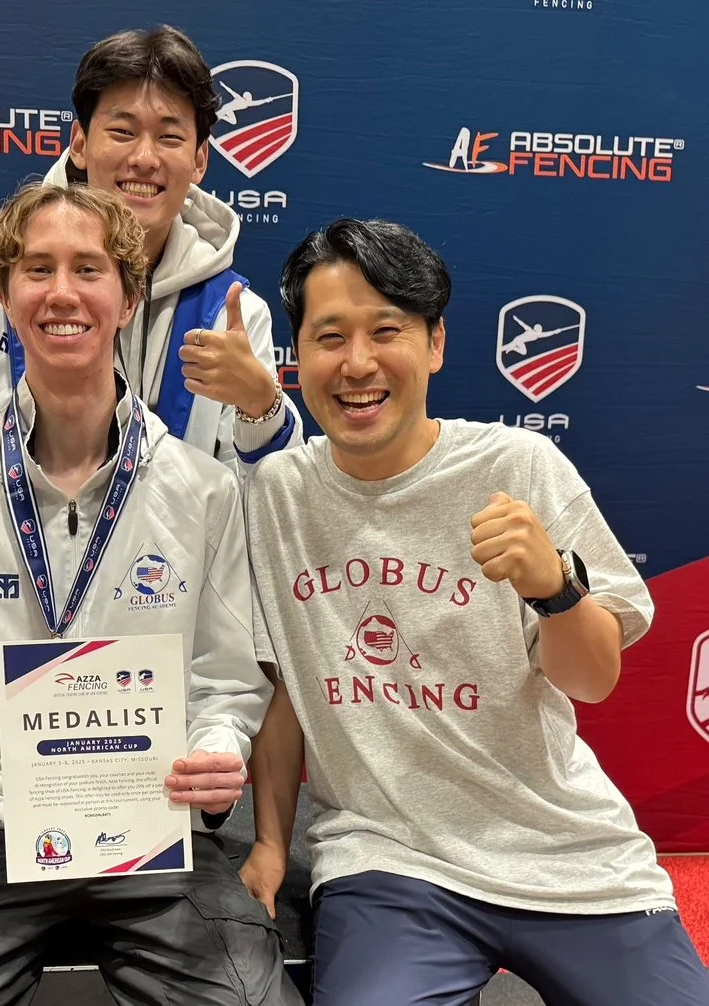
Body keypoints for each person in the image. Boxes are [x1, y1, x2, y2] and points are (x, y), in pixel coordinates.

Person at [0, 182, 299, 1006]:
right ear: (5, 297)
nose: (61, 292)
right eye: (37, 269)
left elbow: (230, 683)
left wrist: (222, 751)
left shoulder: (203, 491)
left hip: (155, 829)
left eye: (88, 269)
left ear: (127, 298)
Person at [240, 218, 709, 1006]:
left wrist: (553, 586)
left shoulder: (517, 466)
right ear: (299, 357)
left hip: (568, 854)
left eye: (386, 330)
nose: (357, 364)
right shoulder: (275, 496)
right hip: (390, 863)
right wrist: (269, 846)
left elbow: (593, 680)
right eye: (330, 337)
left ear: (435, 345)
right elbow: (284, 693)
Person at [0, 24, 301, 498]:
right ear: (80, 143)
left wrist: (261, 408)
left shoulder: (233, 314)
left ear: (200, 159)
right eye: (123, 131)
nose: (144, 158)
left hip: (164, 570)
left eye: (169, 137)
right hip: (0, 567)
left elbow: (263, 507)